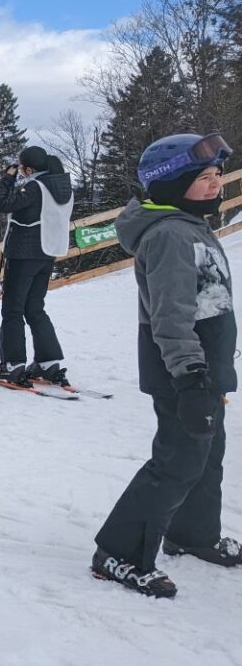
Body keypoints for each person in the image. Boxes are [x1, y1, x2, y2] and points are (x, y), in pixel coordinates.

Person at [91, 132, 237, 598]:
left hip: (202, 366)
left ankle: (192, 533)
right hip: (182, 369)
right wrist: (192, 377)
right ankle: (118, 552)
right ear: (172, 183)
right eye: (204, 177)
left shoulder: (189, 225)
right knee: (177, 460)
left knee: (206, 454)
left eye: (218, 175)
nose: (216, 184)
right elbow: (171, 315)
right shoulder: (172, 234)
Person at [0, 145, 73, 386]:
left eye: (22, 168)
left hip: (24, 253)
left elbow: (1, 204)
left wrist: (7, 178)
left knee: (12, 309)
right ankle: (48, 361)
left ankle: (12, 363)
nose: (21, 172)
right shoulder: (63, 187)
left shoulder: (35, 187)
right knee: (35, 308)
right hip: (48, 252)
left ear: (29, 168)